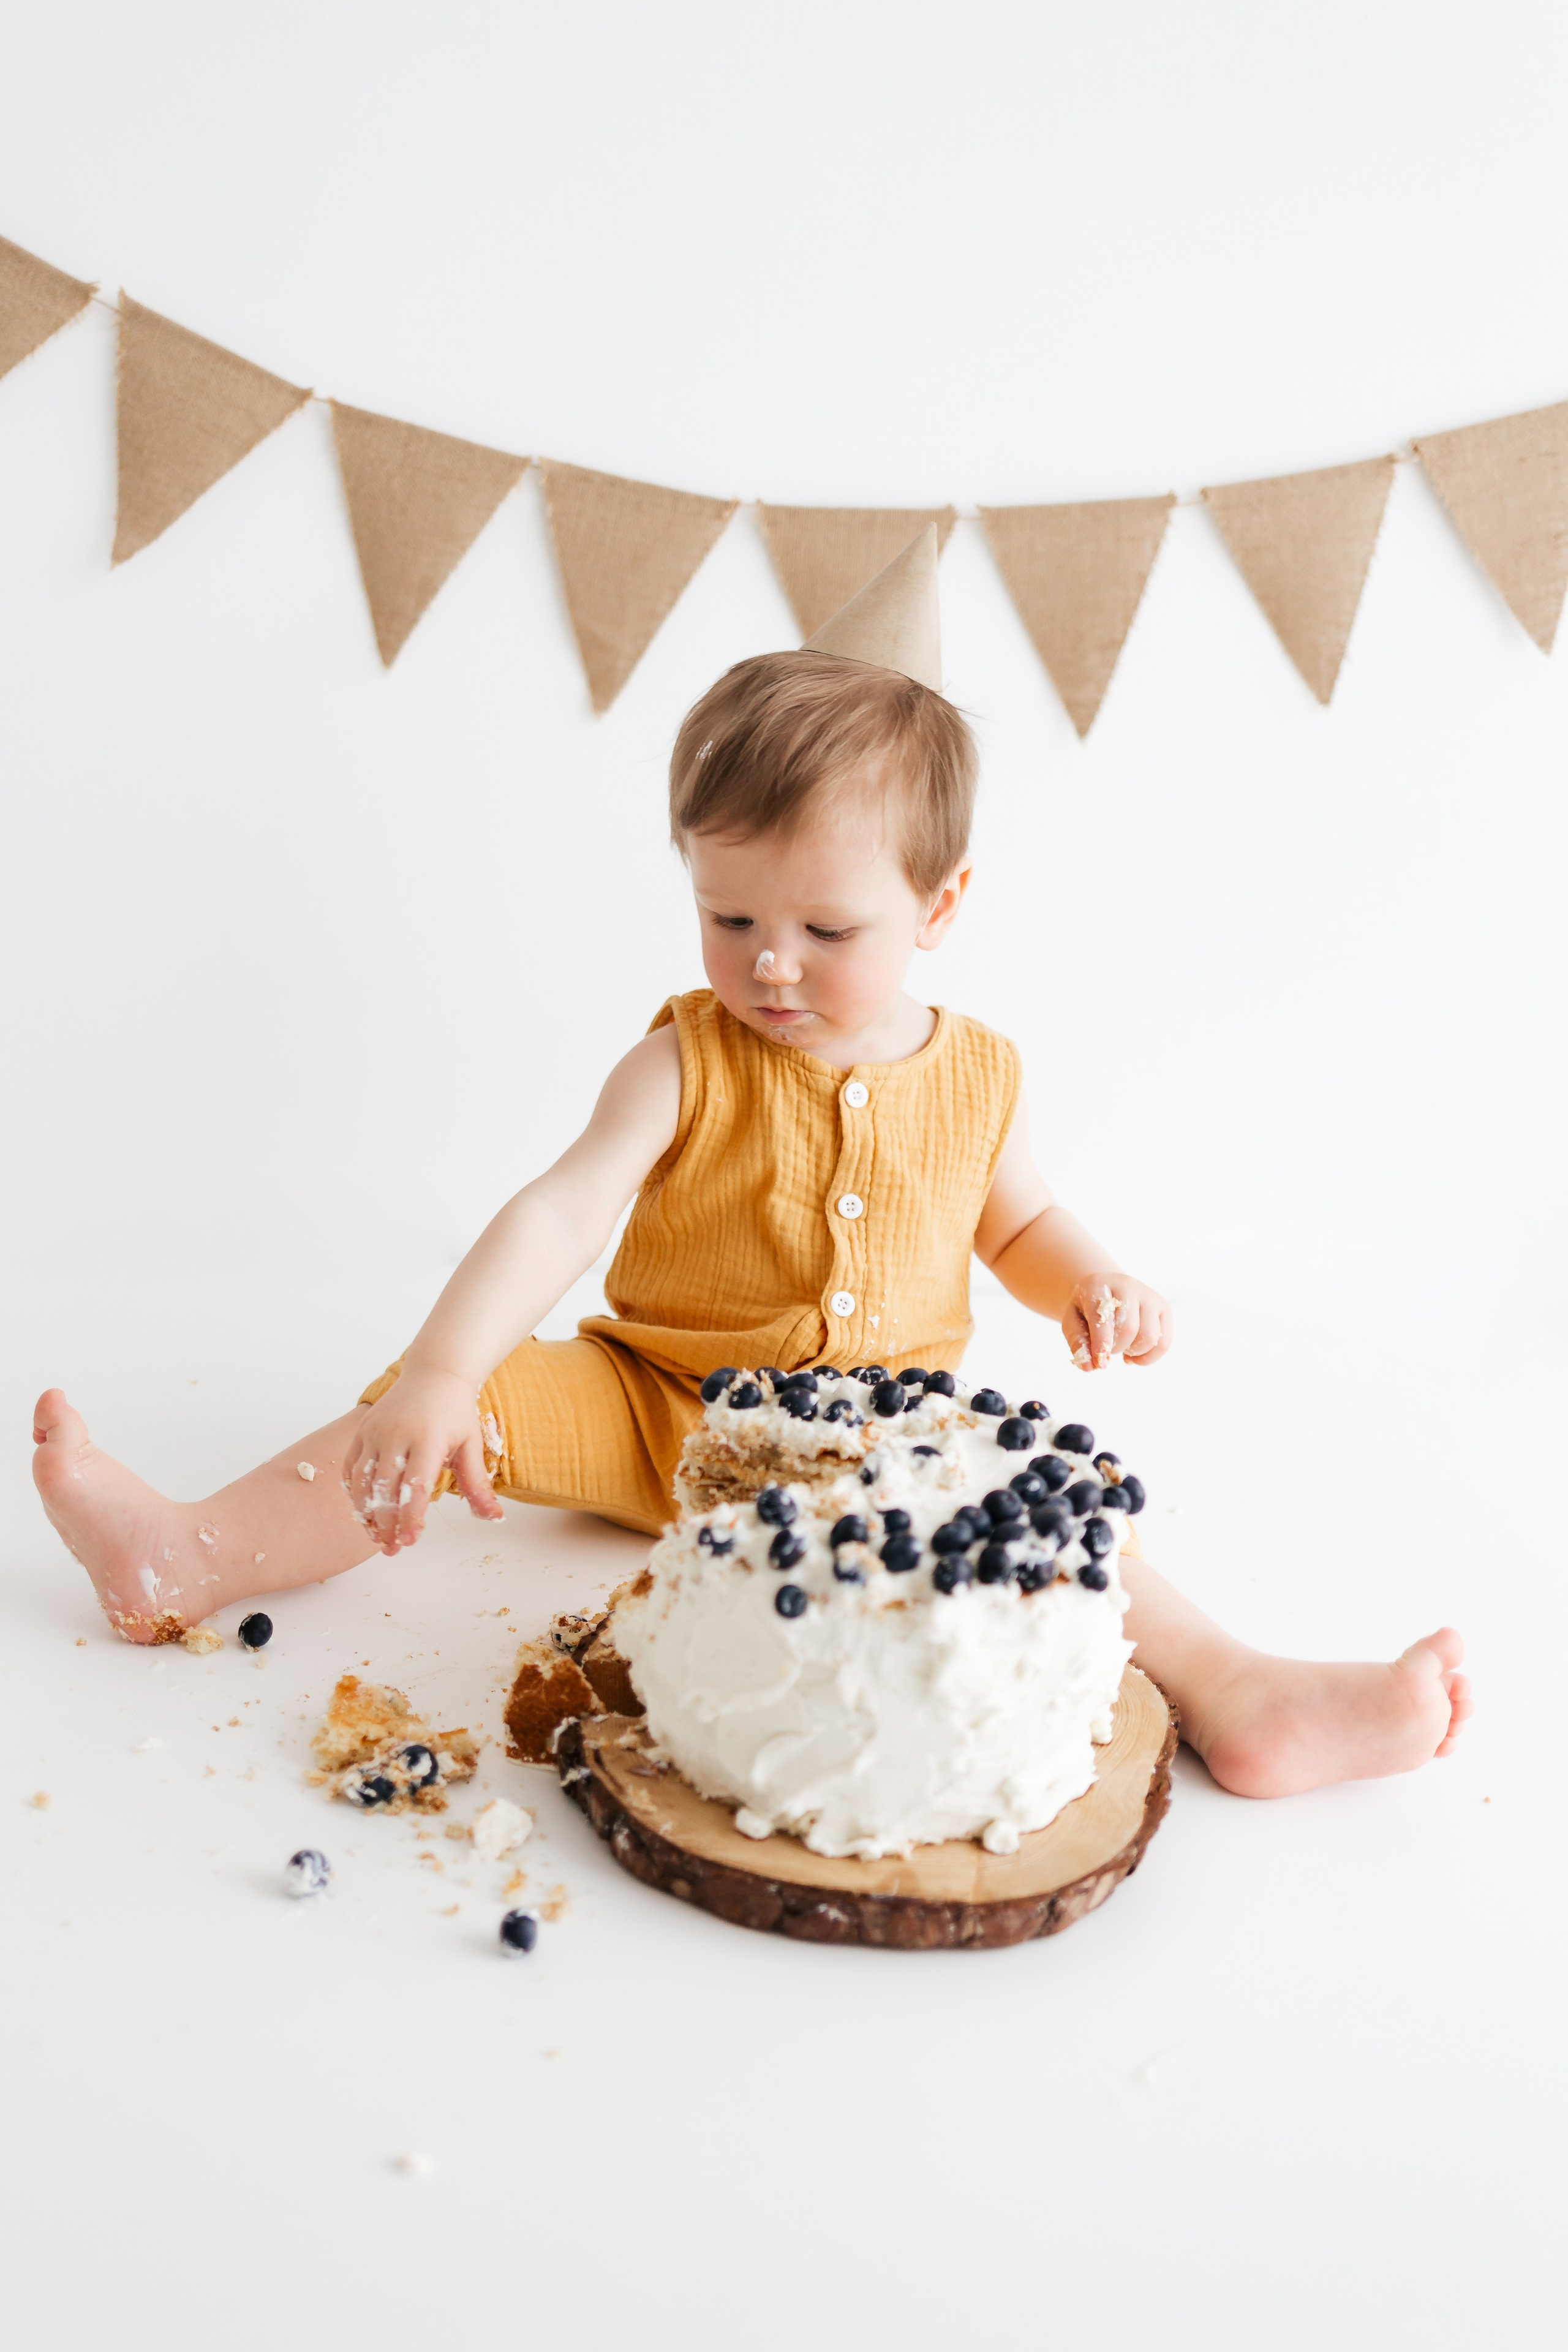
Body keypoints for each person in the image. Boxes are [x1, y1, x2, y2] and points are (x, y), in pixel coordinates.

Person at [31, 532, 1469, 1800]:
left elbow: (1015, 1217)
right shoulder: (682, 1057)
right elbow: (559, 1210)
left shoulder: (980, 1073)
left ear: (939, 904)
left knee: (1048, 1511)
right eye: (727, 917)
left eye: (825, 933)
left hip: (875, 1441)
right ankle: (188, 1558)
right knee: (416, 1427)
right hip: (649, 1404)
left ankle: (1243, 1694)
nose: (767, 966)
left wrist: (1088, 1280)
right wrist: (440, 1372)